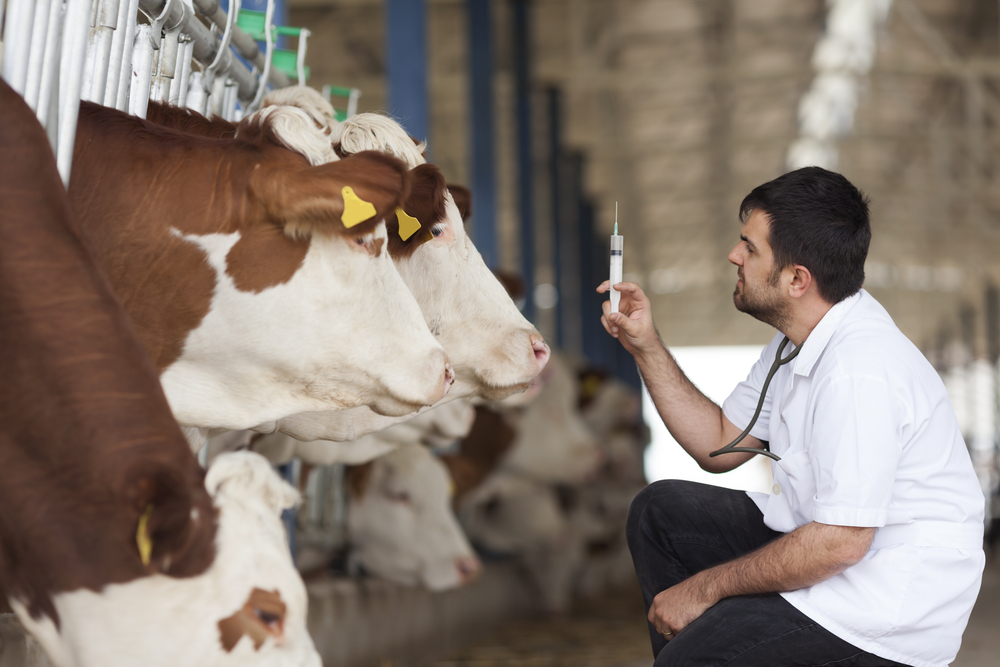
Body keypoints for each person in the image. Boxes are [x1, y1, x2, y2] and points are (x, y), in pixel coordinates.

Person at [597, 167, 984, 667]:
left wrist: (704, 589)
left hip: (884, 608)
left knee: (691, 659)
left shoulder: (859, 368)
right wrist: (645, 347)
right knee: (661, 512)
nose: (734, 256)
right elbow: (717, 444)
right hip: (833, 554)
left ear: (797, 279)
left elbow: (840, 544)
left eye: (750, 248)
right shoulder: (794, 344)